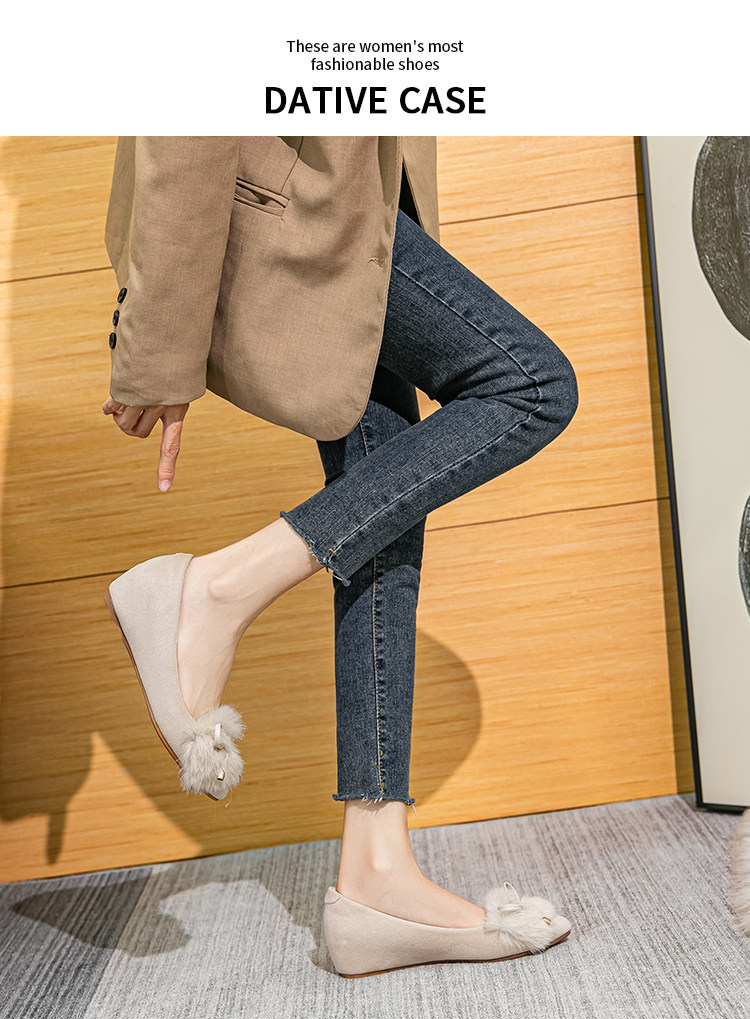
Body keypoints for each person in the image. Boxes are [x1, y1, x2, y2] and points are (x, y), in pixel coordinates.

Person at [102, 136, 579, 976]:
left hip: (356, 206)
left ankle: (375, 872)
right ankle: (219, 588)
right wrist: (160, 340)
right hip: (300, 207)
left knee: (381, 493)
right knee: (531, 385)